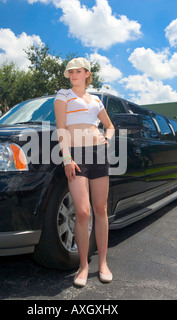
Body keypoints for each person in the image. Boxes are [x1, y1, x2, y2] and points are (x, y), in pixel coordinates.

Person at [54, 57, 114, 287]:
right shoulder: (63, 95)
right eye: (70, 72)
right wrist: (67, 157)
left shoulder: (96, 100)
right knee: (82, 211)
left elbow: (109, 126)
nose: (73, 75)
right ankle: (83, 266)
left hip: (98, 153)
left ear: (87, 73)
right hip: (76, 156)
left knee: (101, 209)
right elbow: (61, 128)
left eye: (78, 71)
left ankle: (103, 264)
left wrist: (106, 140)